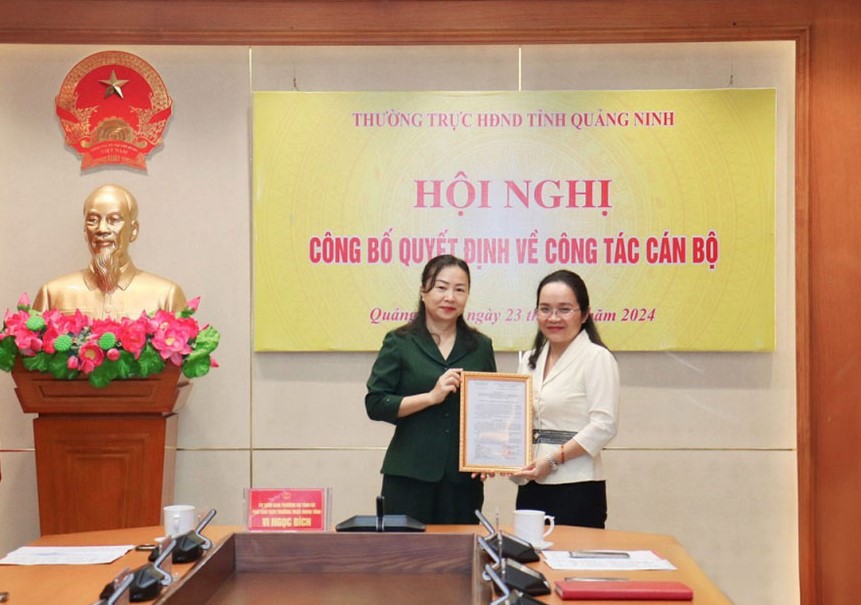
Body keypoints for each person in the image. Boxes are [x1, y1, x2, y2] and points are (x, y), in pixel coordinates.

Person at [365, 254, 497, 524]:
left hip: (462, 481)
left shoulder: (480, 346)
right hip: (409, 476)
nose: (450, 297)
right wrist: (430, 397)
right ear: (423, 291)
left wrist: (488, 455)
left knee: (459, 559)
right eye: (441, 287)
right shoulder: (399, 342)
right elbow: (376, 404)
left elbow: (490, 410)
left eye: (459, 290)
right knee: (405, 558)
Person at [510, 270, 619, 529]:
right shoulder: (529, 360)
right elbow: (516, 420)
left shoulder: (596, 358)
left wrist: (552, 460)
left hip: (577, 486)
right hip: (531, 483)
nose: (553, 318)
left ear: (584, 314)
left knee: (572, 566)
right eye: (545, 309)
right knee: (529, 563)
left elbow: (604, 426)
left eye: (564, 309)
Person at [33, 184, 186, 319]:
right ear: (85, 231)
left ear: (133, 231)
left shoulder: (166, 296)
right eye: (93, 220)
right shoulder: (52, 294)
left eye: (114, 220)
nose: (102, 229)